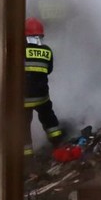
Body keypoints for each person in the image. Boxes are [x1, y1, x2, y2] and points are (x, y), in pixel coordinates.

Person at [24, 17, 63, 163]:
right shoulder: (47, 51)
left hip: (23, 99)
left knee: (23, 126)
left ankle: (27, 157)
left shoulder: (18, 50)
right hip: (42, 97)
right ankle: (57, 143)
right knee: (49, 119)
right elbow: (49, 70)